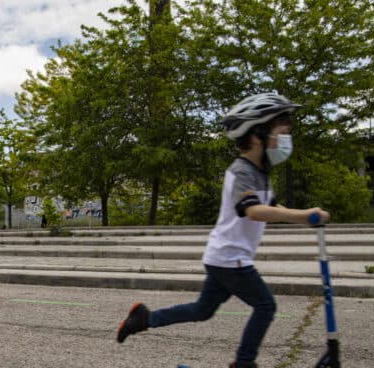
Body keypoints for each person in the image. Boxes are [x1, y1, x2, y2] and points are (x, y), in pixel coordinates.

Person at [115, 93, 330, 368]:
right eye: (280, 134)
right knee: (266, 306)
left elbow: (271, 206)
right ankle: (243, 363)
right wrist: (305, 216)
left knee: (202, 310)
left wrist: (307, 216)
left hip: (224, 257)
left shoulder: (259, 172)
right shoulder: (242, 171)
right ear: (256, 136)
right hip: (231, 260)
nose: (284, 142)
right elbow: (253, 210)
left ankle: (144, 319)